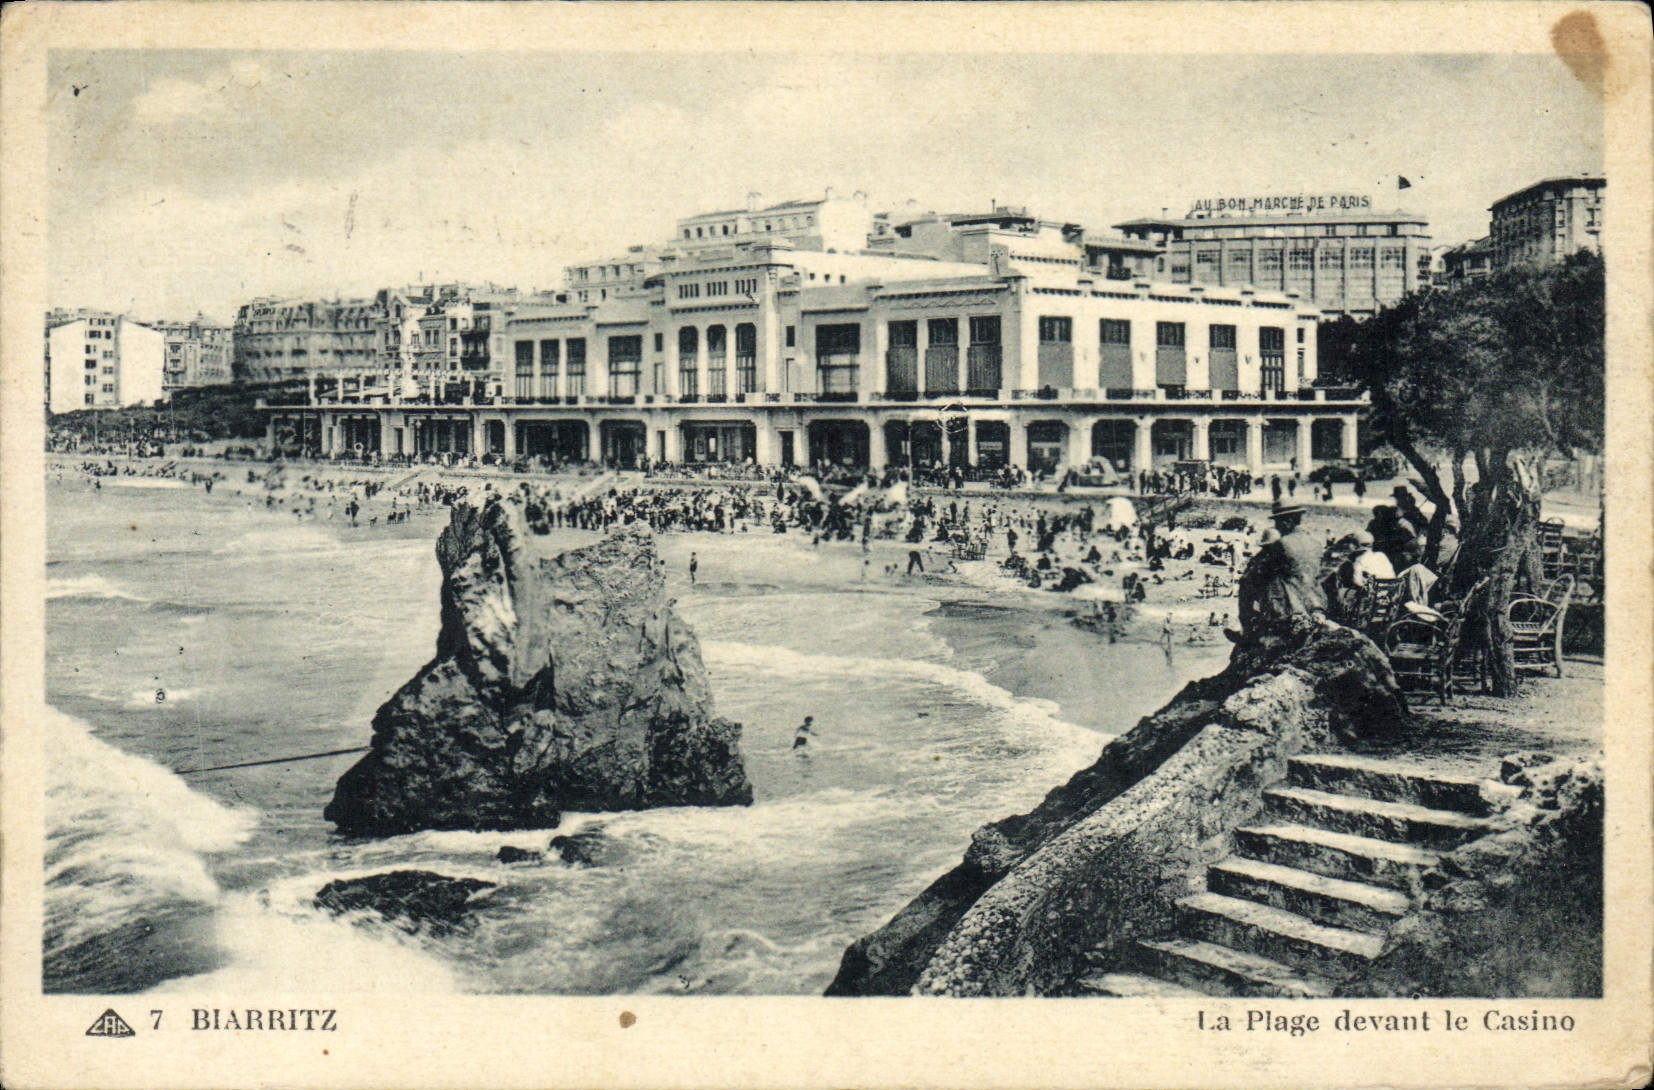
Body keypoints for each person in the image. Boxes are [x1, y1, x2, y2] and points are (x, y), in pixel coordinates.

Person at [1235, 502, 1328, 642]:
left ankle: (1247, 632)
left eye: (1278, 522)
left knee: (1246, 584)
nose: (1277, 527)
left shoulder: (1281, 544)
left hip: (1290, 603)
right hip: (1317, 600)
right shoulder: (1316, 543)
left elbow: (1261, 573)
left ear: (1288, 521)